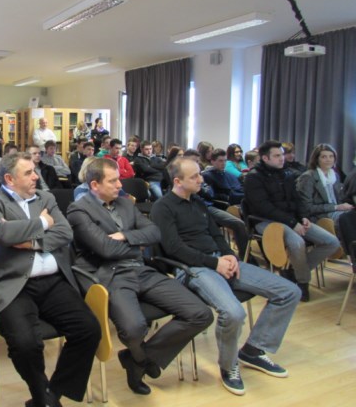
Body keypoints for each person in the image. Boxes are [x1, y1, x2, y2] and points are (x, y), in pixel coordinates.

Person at [150, 157, 300, 397]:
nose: (201, 179)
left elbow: (217, 234)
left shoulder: (197, 202)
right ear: (177, 181)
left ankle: (254, 349)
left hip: (220, 260)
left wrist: (229, 255)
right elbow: (174, 248)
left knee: (290, 292)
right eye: (194, 176)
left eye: (200, 174)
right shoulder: (162, 208)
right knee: (233, 313)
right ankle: (229, 366)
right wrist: (215, 263)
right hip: (193, 268)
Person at [67, 158, 213, 395]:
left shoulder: (125, 203)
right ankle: (141, 358)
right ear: (95, 185)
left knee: (201, 314)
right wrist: (137, 243)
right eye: (113, 181)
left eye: (119, 179)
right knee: (134, 329)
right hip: (111, 275)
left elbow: (154, 232)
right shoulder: (79, 210)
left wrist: (125, 236)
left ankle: (136, 359)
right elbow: (105, 249)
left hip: (141, 269)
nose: (119, 185)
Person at [0, 152, 101, 407]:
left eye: (35, 170)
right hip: (11, 284)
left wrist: (29, 242)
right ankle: (42, 395)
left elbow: (65, 232)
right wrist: (43, 221)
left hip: (53, 281)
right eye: (29, 172)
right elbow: (1, 232)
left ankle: (50, 395)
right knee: (25, 344)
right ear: (9, 179)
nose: (36, 176)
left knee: (89, 329)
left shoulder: (45, 197)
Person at [244, 140, 340, 301]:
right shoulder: (253, 177)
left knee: (332, 242)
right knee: (297, 243)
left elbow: (298, 200)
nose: (282, 158)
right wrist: (292, 223)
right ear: (265, 158)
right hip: (265, 221)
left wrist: (303, 217)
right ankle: (302, 282)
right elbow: (264, 208)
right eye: (277, 156)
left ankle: (294, 271)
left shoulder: (287, 174)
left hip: (291, 219)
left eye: (282, 154)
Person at [296, 143, 354, 223]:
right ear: (316, 159)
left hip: (338, 211)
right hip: (319, 216)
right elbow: (307, 207)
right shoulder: (308, 177)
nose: (328, 160)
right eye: (324, 157)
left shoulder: (335, 175)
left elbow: (340, 199)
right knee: (350, 219)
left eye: (331, 156)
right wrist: (336, 207)